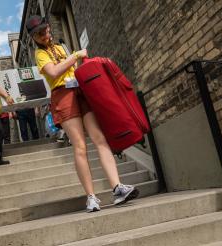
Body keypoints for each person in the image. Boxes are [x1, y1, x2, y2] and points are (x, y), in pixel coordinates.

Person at [26, 15, 139, 212]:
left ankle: (117, 188)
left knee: (100, 139)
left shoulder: (61, 47)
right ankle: (91, 197)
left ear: (49, 28)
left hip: (80, 91)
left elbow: (76, 69)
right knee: (80, 146)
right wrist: (75, 56)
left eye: (45, 30)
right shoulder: (40, 54)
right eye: (38, 34)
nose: (44, 36)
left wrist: (76, 60)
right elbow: (54, 73)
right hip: (63, 95)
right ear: (34, 38)